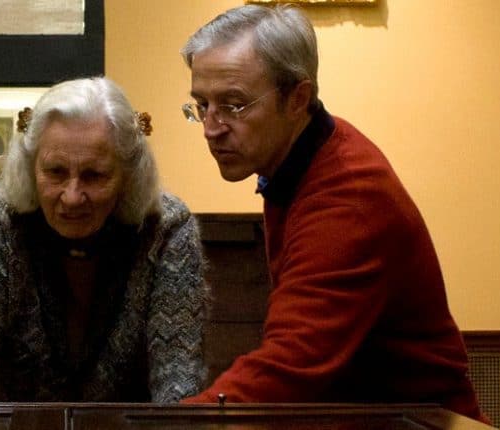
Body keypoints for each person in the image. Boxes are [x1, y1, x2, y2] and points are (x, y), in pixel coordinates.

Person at [177, 4, 483, 420]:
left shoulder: (348, 196)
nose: (211, 128)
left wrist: (176, 424)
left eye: (234, 105)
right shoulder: (304, 157)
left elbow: (288, 366)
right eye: (201, 105)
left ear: (297, 98)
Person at [0, 77, 208, 402]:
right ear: (30, 167)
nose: (72, 196)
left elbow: (178, 380)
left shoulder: (166, 229)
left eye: (94, 175)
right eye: (55, 172)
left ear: (129, 174)